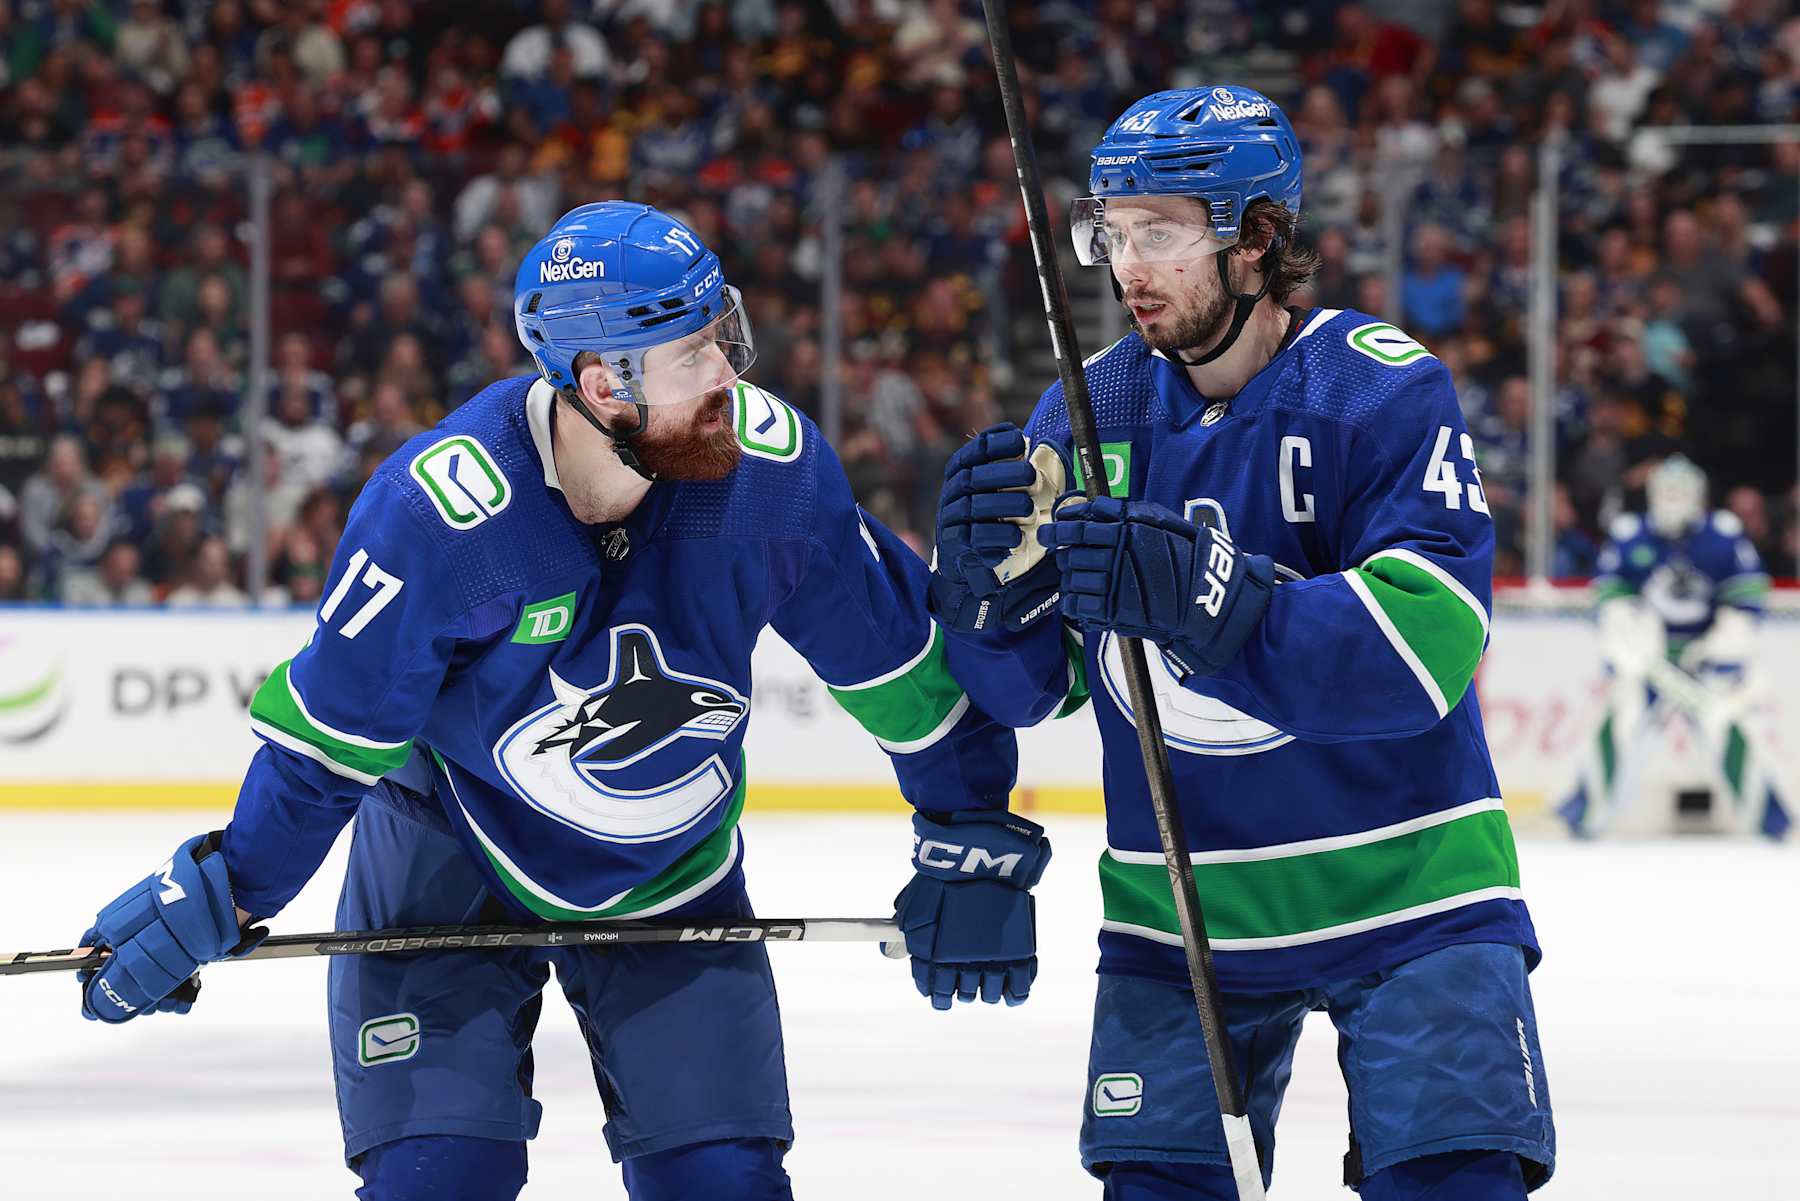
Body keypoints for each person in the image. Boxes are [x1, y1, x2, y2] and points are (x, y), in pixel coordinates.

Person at [72, 202, 1048, 1200]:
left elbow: (897, 674)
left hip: (671, 868)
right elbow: (328, 748)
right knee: (438, 1182)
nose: (729, 376)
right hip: (442, 863)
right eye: (693, 357)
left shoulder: (774, 479)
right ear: (601, 384)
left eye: (725, 339)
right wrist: (230, 885)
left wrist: (966, 829)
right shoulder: (440, 518)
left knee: (724, 1184)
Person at [928, 87, 1555, 1199]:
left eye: (1160, 231)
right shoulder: (1085, 413)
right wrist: (990, 603)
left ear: (1257, 238)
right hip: (1183, 910)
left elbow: (1431, 644)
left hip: (1415, 898)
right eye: (1112, 232)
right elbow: (1044, 689)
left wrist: (1217, 600)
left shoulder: (1376, 386)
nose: (1129, 265)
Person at [1558, 455, 1790, 839]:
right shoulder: (1632, 534)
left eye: (1681, 493)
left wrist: (1725, 643)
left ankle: (1772, 822)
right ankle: (1583, 815)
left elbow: (1747, 595)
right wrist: (1625, 633)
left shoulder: (1721, 535)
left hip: (1705, 657)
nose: (1672, 500)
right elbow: (1610, 593)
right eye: (1666, 492)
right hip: (1650, 659)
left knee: (1727, 728)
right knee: (1621, 723)